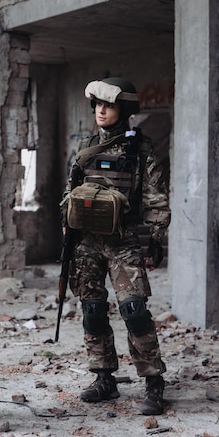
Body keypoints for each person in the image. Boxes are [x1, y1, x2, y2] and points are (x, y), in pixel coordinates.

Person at [61, 77, 171, 415]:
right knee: (92, 311)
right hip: (87, 245)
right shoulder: (83, 148)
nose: (101, 111)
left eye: (108, 105)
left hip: (123, 243)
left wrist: (153, 240)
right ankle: (104, 376)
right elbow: (68, 195)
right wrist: (67, 230)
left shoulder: (141, 151)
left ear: (125, 110)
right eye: (97, 104)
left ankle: (153, 382)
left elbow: (156, 200)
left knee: (134, 311)